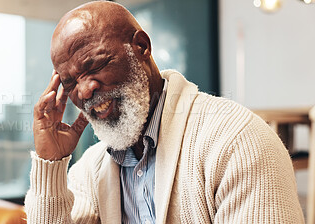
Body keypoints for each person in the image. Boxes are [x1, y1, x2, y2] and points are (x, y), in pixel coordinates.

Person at [24, 1, 304, 223]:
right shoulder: (90, 168)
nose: (83, 92)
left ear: (141, 47)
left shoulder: (237, 141)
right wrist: (51, 162)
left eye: (95, 65)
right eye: (70, 82)